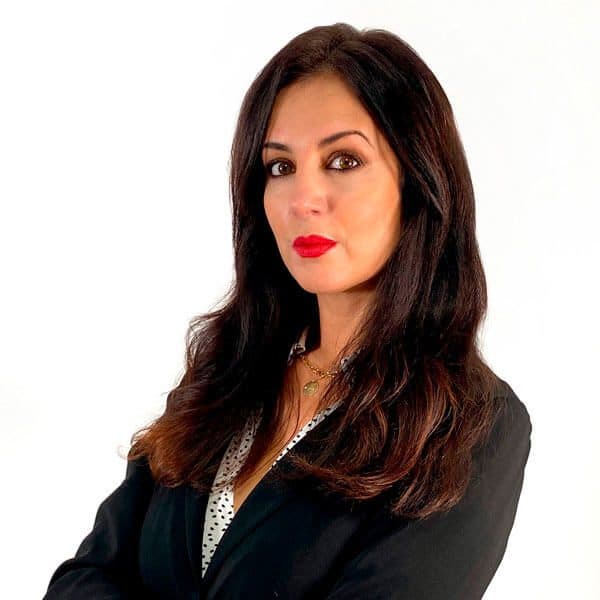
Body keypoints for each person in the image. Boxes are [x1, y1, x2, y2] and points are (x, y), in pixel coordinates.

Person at [44, 22, 532, 599]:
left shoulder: (470, 425)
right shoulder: (223, 374)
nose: (303, 199)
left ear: (419, 180)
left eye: (344, 160)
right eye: (280, 167)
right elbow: (80, 580)